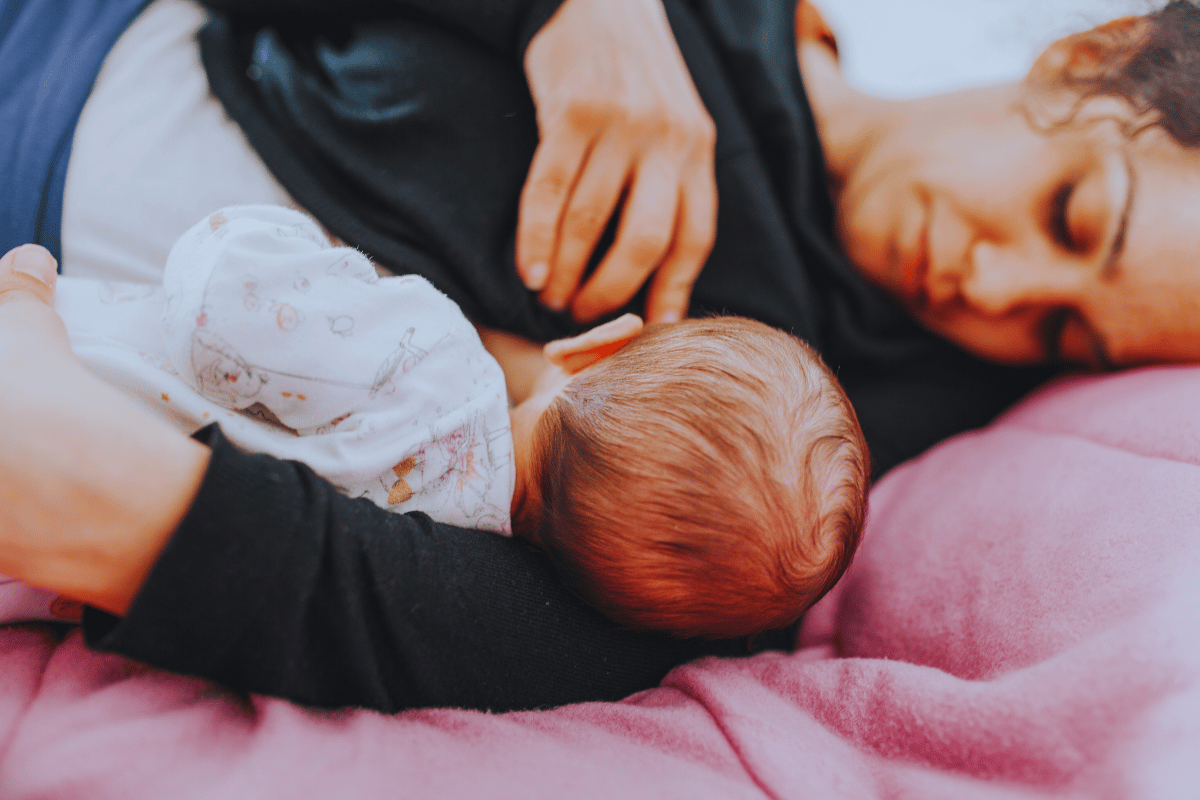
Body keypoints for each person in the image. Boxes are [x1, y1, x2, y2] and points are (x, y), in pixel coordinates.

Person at [1, 0, 1198, 712]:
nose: (993, 288)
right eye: (1071, 216)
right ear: (1090, 51)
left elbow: (588, 625)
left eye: (1067, 332)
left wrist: (149, 521)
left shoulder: (827, 441)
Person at [4, 203, 868, 639]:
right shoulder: (456, 559)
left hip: (52, 370)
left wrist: (306, 244)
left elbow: (219, 295)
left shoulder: (438, 358)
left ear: (597, 346)